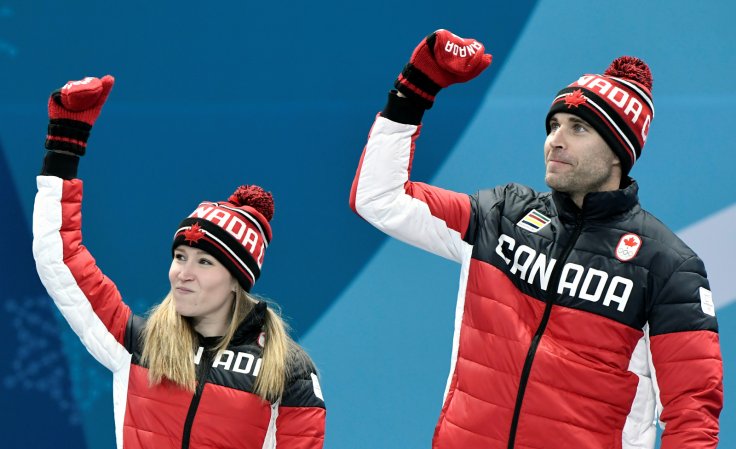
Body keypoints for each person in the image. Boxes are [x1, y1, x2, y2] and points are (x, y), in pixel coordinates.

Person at [350, 30, 723, 449]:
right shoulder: (501, 215)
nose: (555, 141)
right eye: (553, 125)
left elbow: (692, 417)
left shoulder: (667, 264)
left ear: (618, 150)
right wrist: (415, 89)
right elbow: (379, 199)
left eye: (578, 128)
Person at [33, 76, 326, 449]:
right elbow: (58, 257)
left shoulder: (289, 371)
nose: (183, 274)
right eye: (179, 257)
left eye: (205, 262)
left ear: (238, 279)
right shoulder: (138, 343)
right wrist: (64, 144)